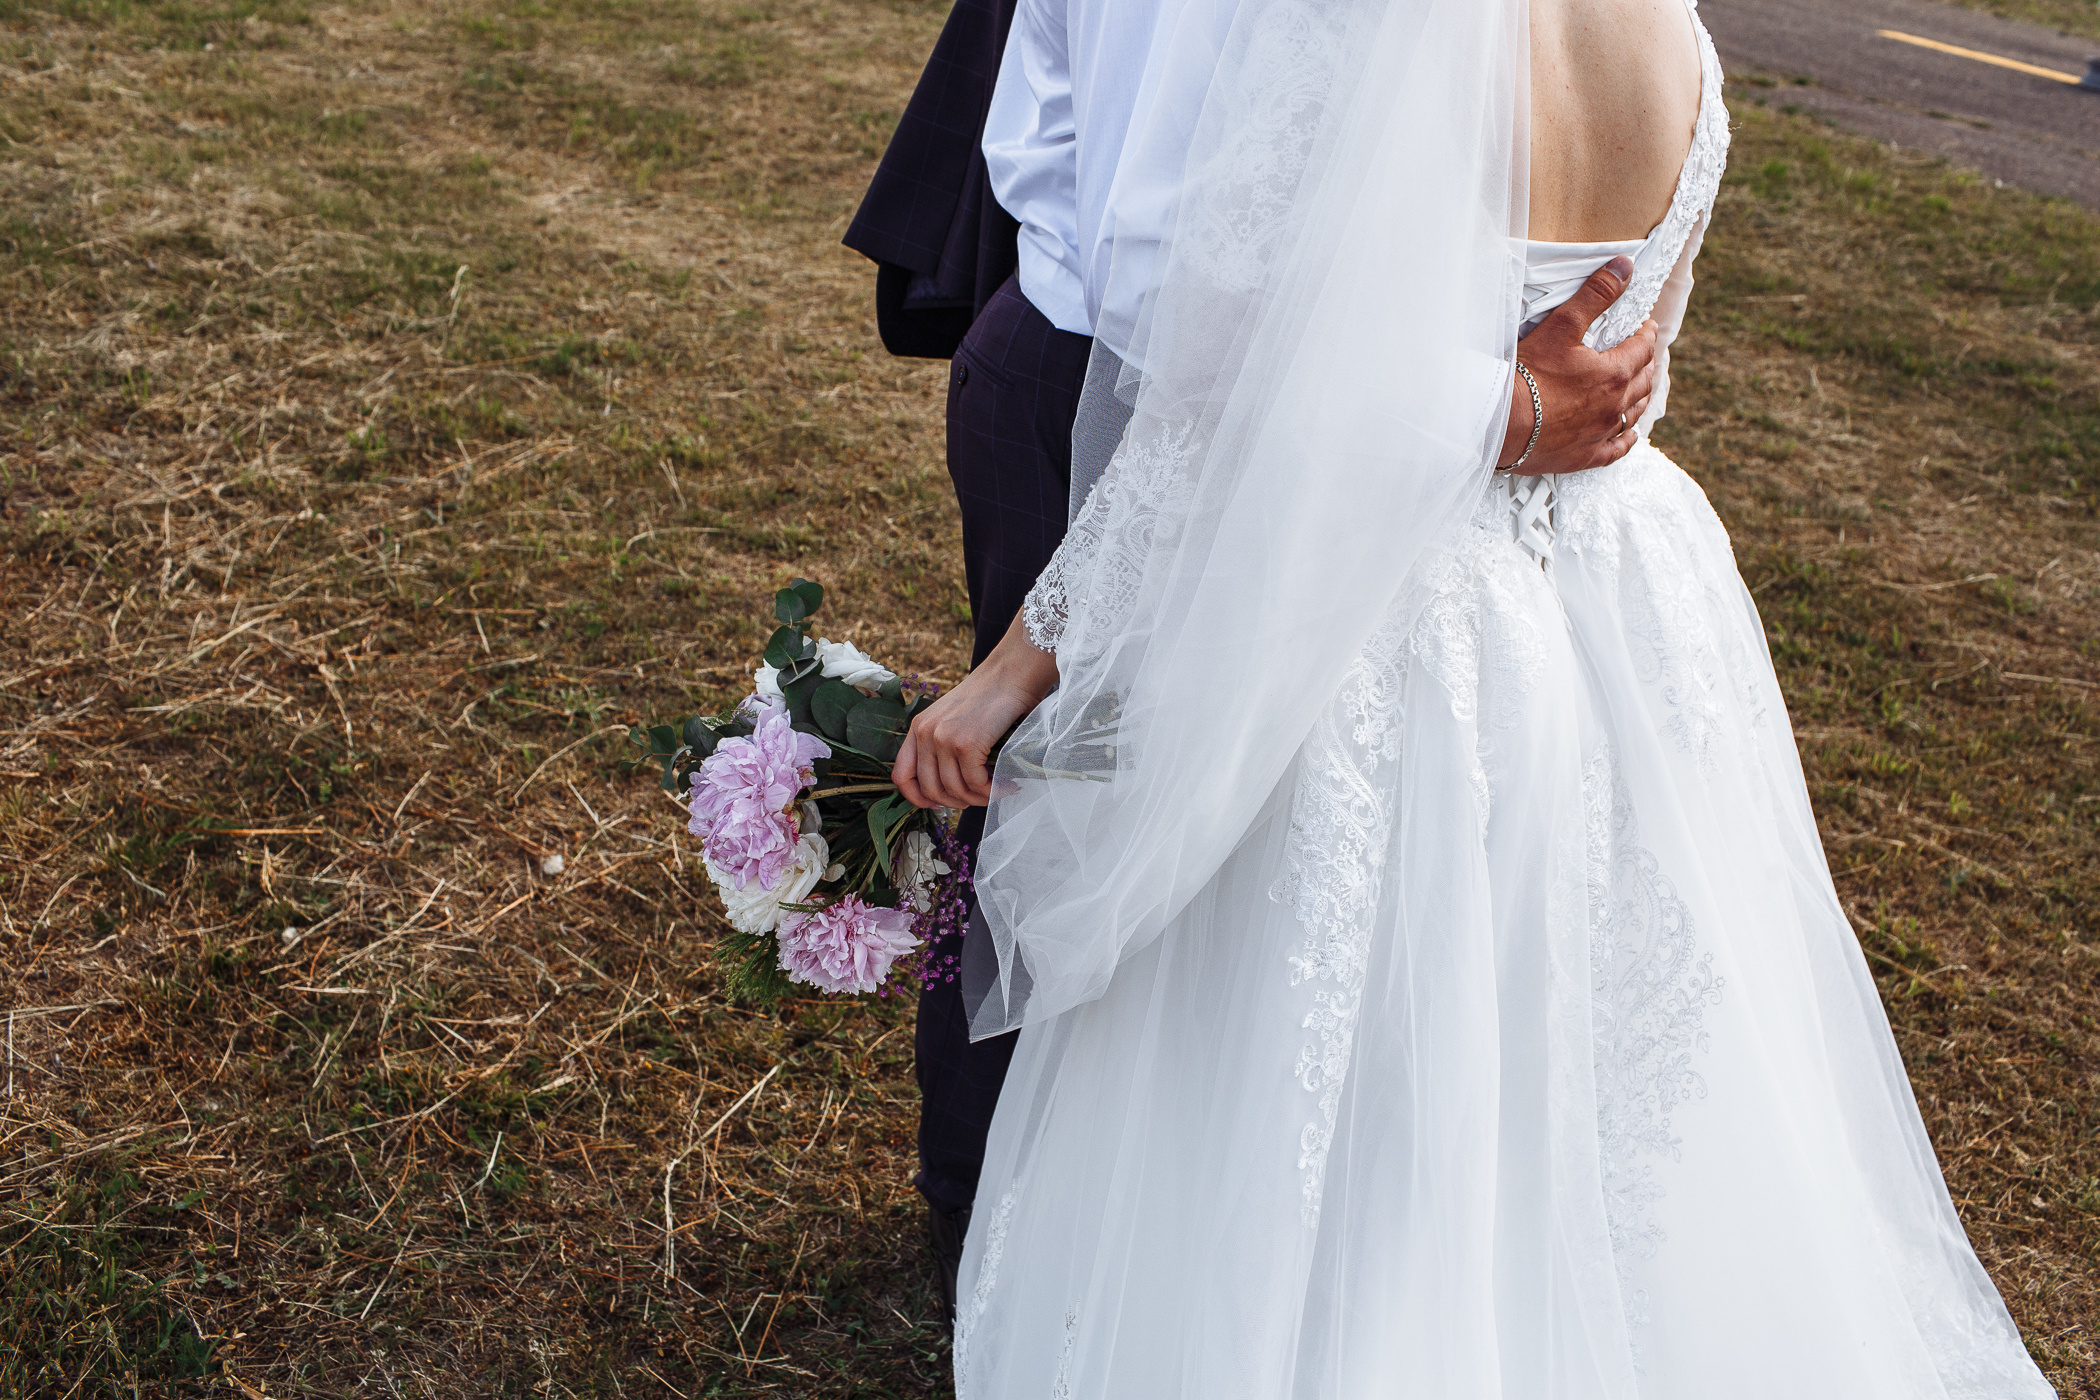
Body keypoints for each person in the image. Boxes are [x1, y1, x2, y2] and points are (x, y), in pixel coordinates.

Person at [889, 0, 2063, 1392]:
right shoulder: (1674, 35)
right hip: (1625, 598)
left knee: (1357, 1058)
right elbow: (1632, 378)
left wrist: (1015, 669)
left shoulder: (1356, 24)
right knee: (1583, 1045)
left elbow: (1231, 408)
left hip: (1403, 622)